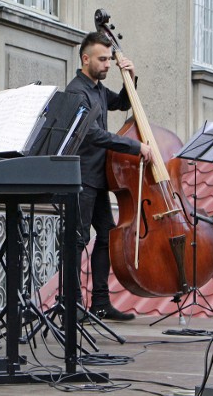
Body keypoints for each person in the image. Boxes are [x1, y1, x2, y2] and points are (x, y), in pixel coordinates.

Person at [65, 32, 152, 321]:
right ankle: (72, 305)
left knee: (106, 234)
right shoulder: (77, 91)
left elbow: (124, 104)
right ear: (85, 59)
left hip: (99, 177)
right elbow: (92, 134)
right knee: (77, 240)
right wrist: (134, 146)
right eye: (102, 59)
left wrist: (131, 76)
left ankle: (100, 302)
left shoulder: (99, 89)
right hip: (81, 176)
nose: (106, 64)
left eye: (108, 59)